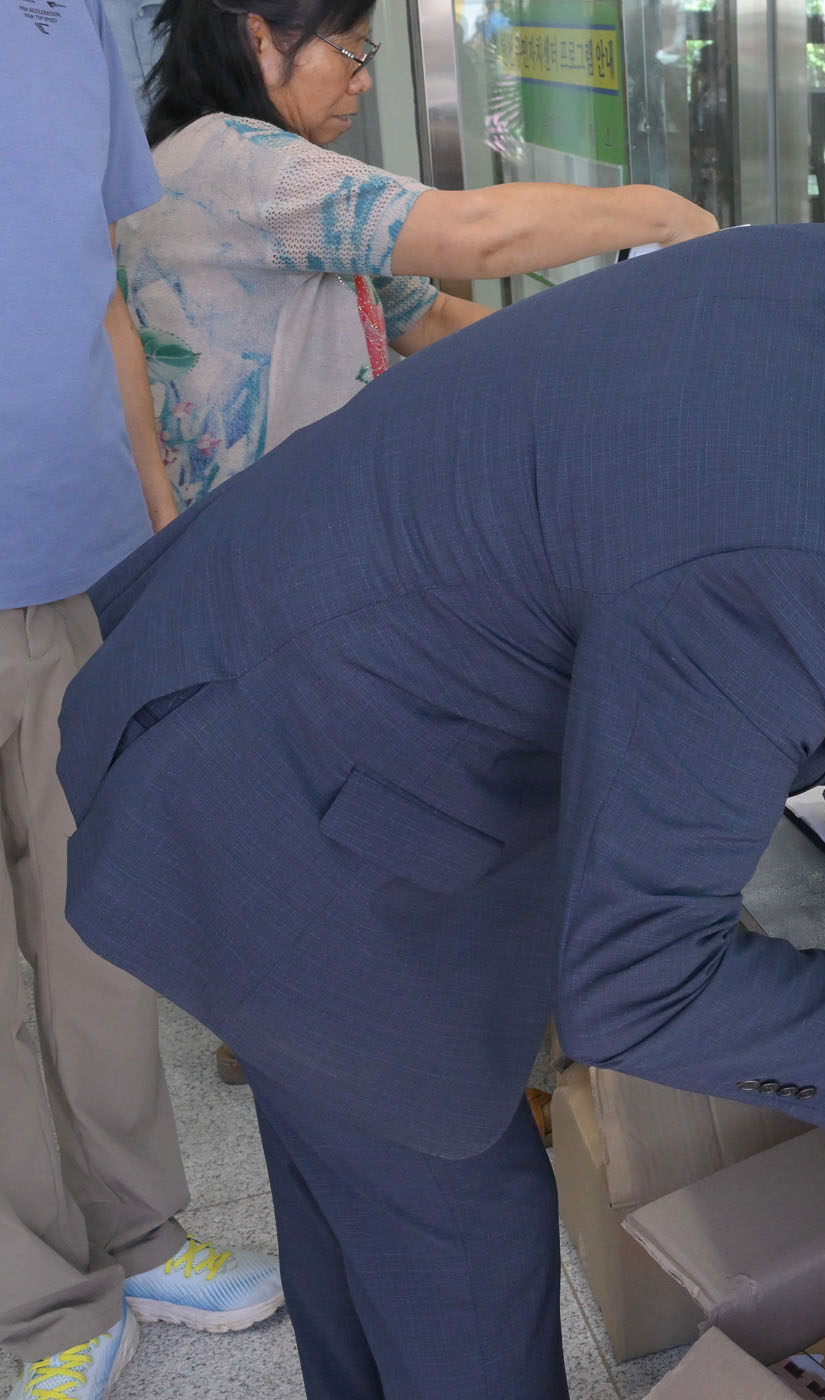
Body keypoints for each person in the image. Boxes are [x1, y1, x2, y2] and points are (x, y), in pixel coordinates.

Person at [56, 223, 825, 1398]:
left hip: (239, 662)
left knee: (356, 1194)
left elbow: (751, 513)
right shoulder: (792, 567)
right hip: (286, 811)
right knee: (461, 1245)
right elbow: (638, 987)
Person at [1, 4, 283, 1398]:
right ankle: (33, 1300)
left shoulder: (70, 26)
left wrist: (158, 539)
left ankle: (139, 1230)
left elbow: (101, 289)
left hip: (74, 557)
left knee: (93, 935)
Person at [119, 0, 719, 508]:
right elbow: (478, 233)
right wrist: (660, 212)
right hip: (256, 534)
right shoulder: (241, 161)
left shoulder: (207, 154)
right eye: (352, 50)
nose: (362, 81)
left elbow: (429, 318)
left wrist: (599, 361)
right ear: (261, 41)